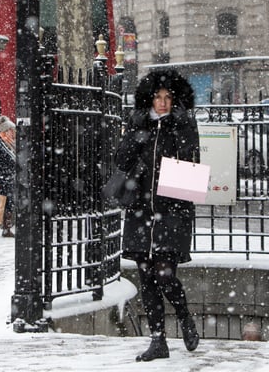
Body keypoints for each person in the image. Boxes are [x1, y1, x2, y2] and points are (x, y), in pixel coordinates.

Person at [113, 69, 200, 361]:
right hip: (140, 209)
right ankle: (157, 340)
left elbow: (190, 161)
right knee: (146, 277)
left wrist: (178, 127)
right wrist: (136, 134)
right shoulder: (139, 122)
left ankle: (185, 317)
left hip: (171, 209)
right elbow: (121, 159)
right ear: (149, 99)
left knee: (164, 274)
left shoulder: (184, 123)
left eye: (167, 98)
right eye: (157, 97)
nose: (162, 103)